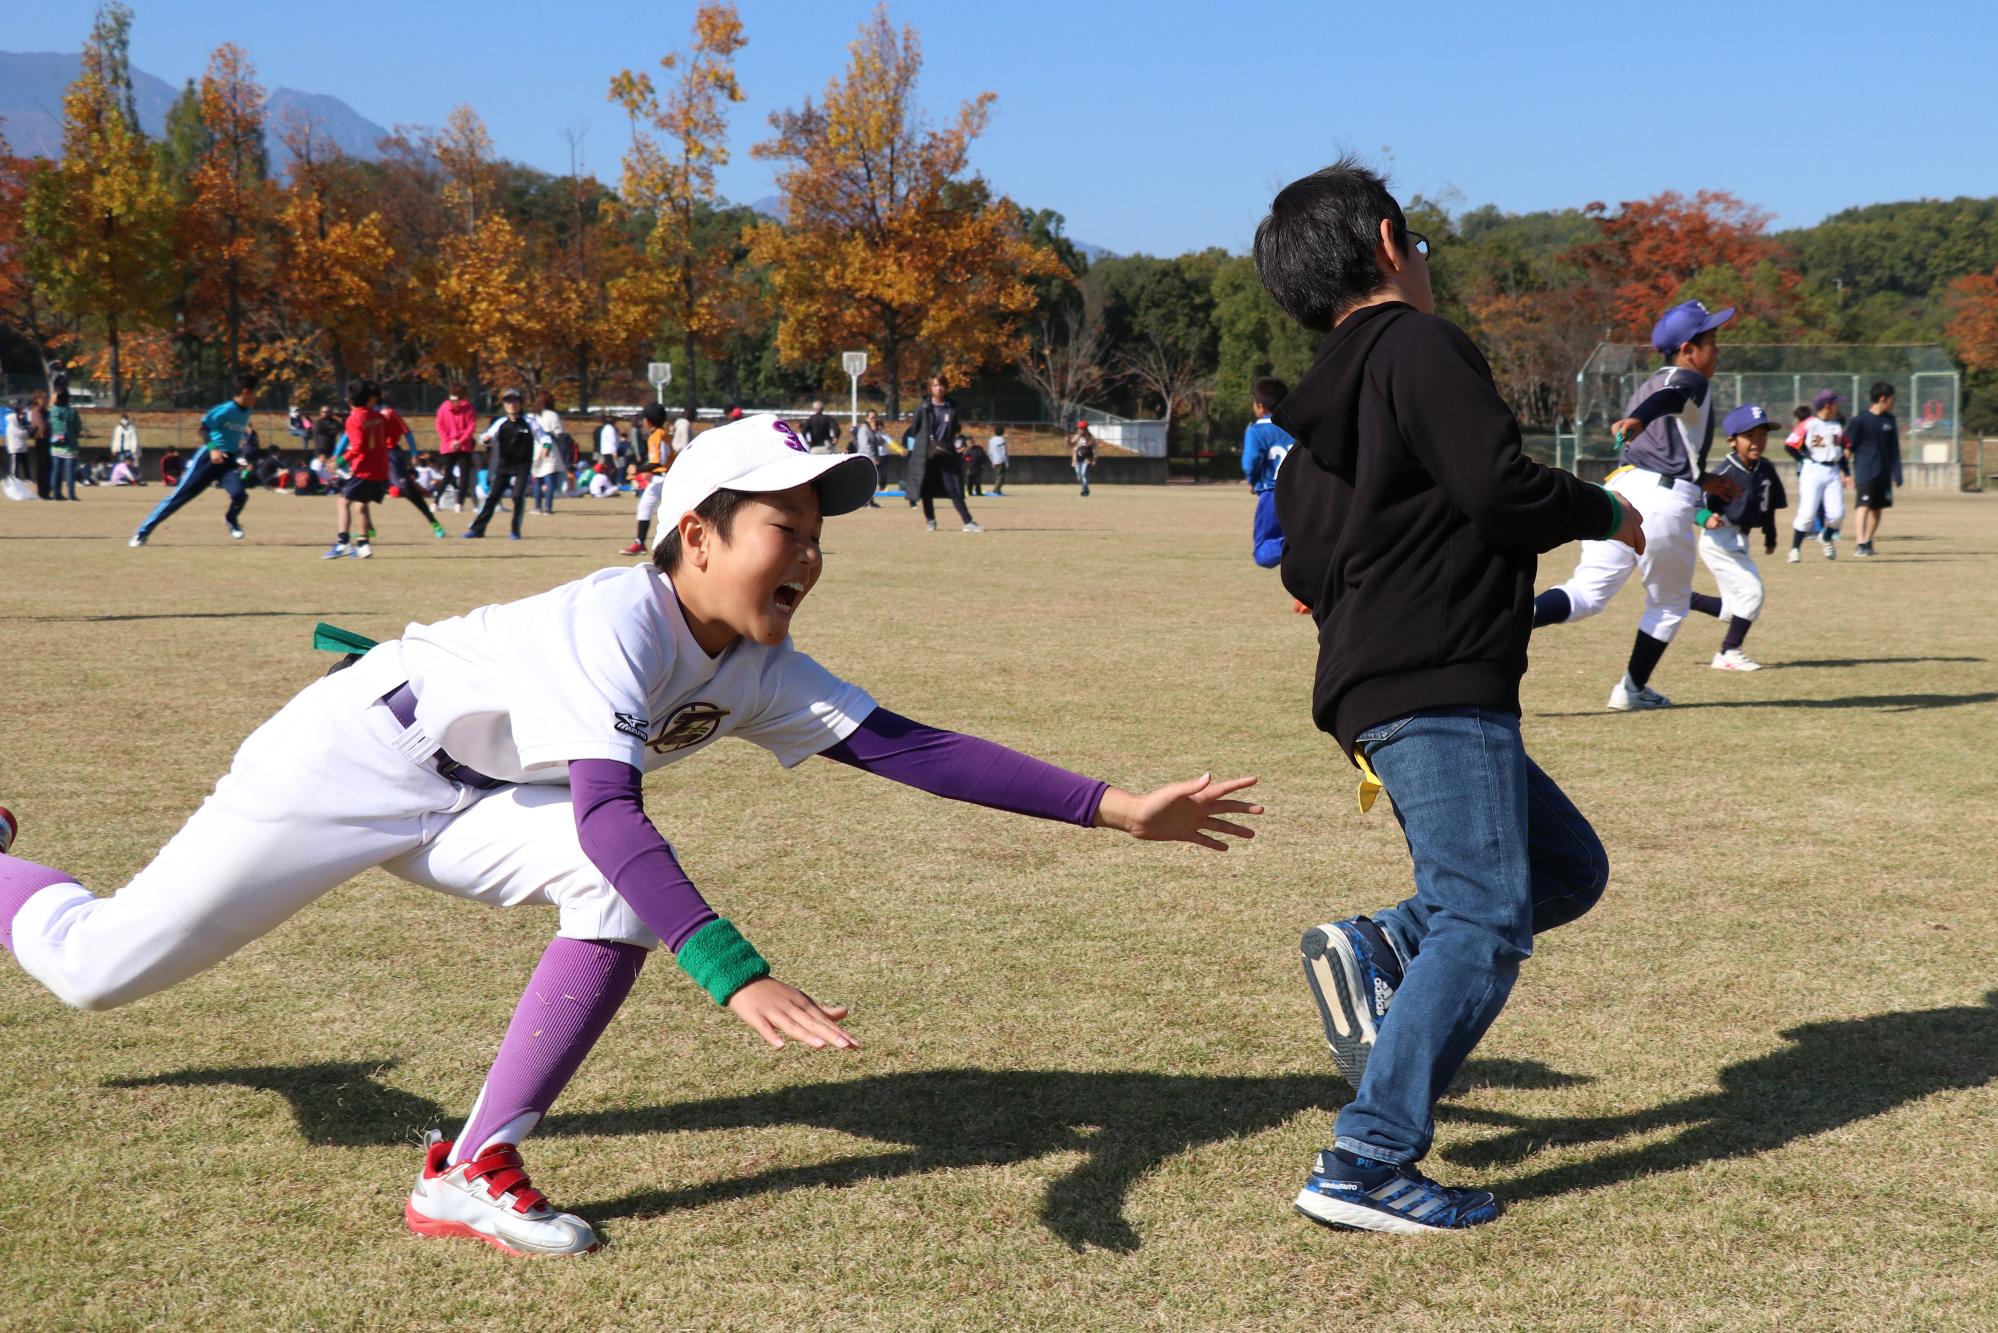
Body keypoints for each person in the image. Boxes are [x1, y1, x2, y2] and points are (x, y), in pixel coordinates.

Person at [0, 411, 1261, 1258]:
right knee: (96, 968)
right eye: (786, 527)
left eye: (819, 534)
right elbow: (608, 807)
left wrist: (1120, 807)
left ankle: (469, 1167)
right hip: (351, 756)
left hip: (477, 796)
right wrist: (729, 967)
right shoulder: (619, 616)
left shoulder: (756, 660)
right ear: (696, 534)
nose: (809, 556)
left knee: (604, 894)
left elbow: (909, 749)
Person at [1257, 157, 1638, 1234]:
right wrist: (1601, 510)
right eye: (1416, 243)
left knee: (1563, 867)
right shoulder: (1418, 345)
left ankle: (1378, 947)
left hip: (1377, 685)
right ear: (1387, 243)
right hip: (1434, 680)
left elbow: (1298, 564)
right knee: (1479, 909)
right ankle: (1366, 1160)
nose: (1423, 261)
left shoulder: (1310, 420)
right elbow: (1494, 486)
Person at [1529, 299, 1742, 710]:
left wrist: (1705, 478)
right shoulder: (1690, 379)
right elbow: (1669, 400)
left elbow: (1664, 442)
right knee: (1669, 603)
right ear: (1687, 349)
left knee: (1586, 593)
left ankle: (1512, 620)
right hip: (1662, 502)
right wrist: (1642, 419)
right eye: (1712, 340)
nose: (1717, 350)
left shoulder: (1649, 382)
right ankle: (1632, 690)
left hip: (1622, 492)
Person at [1688, 404, 1788, 671]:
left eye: (1763, 435)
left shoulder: (1765, 469)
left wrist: (1771, 534)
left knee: (1735, 609)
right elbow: (1693, 502)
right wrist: (1705, 518)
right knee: (1753, 594)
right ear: (1733, 440)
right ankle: (1728, 652)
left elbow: (1767, 506)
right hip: (1719, 538)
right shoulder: (1723, 472)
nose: (1758, 441)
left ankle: (1684, 599)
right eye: (1750, 436)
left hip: (1739, 539)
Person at [130, 374, 259, 547]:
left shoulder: (247, 410)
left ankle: (231, 520)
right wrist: (213, 449)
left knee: (239, 495)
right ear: (245, 392)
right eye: (255, 392)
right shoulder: (224, 410)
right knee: (178, 498)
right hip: (208, 459)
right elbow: (203, 429)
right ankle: (142, 533)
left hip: (227, 462)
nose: (257, 396)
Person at [908, 374, 981, 532]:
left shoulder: (952, 407)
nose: (938, 388)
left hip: (946, 453)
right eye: (934, 385)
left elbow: (955, 428)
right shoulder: (923, 407)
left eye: (941, 385)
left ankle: (968, 522)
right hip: (927, 455)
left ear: (946, 387)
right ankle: (931, 521)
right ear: (930, 388)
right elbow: (914, 429)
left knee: (953, 488)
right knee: (926, 489)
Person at [327, 378, 389, 560]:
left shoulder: (354, 419)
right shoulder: (378, 417)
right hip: (381, 470)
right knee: (361, 505)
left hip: (365, 471)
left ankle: (342, 543)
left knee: (343, 502)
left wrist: (338, 462)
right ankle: (363, 546)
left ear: (349, 400)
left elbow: (358, 447)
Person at [1785, 389, 1849, 563]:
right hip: (1813, 470)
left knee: (1837, 515)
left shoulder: (1837, 425)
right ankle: (1795, 549)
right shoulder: (1809, 423)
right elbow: (1790, 444)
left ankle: (1826, 537)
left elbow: (1840, 451)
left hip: (1833, 470)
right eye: (1836, 403)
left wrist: (1847, 473)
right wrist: (1803, 459)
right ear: (1827, 405)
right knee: (1807, 513)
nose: (1838, 406)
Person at [465, 389, 535, 541]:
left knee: (517, 497)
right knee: (492, 497)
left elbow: (544, 438)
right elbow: (487, 437)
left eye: (515, 401)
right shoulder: (501, 423)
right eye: (508, 402)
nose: (511, 405)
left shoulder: (529, 423)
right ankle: (477, 529)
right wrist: (486, 439)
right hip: (505, 465)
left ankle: (515, 531)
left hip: (523, 466)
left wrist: (547, 448)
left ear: (520, 403)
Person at [378, 390, 448, 539]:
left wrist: (414, 452)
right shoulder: (365, 413)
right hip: (374, 454)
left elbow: (407, 432)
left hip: (391, 455)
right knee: (358, 492)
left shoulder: (389, 413)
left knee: (408, 490)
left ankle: (434, 522)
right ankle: (367, 530)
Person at [1242, 377, 1296, 567]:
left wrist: (1252, 480)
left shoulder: (1257, 430)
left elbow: (1251, 462)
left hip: (1272, 494)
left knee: (1263, 553)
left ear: (1260, 406)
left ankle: (1299, 546)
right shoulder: (1297, 426)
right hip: (1305, 494)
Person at [1847, 382, 1901, 557]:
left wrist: (1897, 472)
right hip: (1865, 471)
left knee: (1877, 509)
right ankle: (1860, 542)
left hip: (1883, 473)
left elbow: (1895, 448)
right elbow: (1848, 447)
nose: (1894, 403)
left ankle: (1868, 541)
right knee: (1863, 506)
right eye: (1892, 399)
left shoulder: (1890, 421)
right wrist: (1844, 473)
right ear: (1883, 399)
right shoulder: (1860, 420)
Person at [621, 404, 674, 556]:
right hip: (662, 479)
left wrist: (637, 470)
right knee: (647, 508)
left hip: (663, 480)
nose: (643, 421)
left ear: (649, 420)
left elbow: (659, 462)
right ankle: (640, 543)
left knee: (653, 510)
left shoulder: (657, 435)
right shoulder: (660, 434)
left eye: (644, 418)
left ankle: (643, 543)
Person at [435, 387, 479, 513]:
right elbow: (471, 427)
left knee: (449, 475)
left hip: (452, 446)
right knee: (462, 476)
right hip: (462, 446)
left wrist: (451, 441)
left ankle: (437, 502)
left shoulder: (444, 407)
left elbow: (439, 425)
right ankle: (458, 503)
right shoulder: (468, 407)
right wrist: (458, 441)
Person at [531, 391, 565, 516]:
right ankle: (548, 507)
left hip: (535, 449)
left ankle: (537, 507)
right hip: (549, 447)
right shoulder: (552, 415)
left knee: (538, 479)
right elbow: (559, 433)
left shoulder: (533, 416)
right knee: (549, 478)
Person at [46, 389, 82, 501]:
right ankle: (71, 494)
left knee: (56, 470)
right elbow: (78, 427)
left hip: (56, 444)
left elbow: (50, 425)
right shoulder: (72, 411)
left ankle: (56, 493)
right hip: (70, 445)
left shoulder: (53, 411)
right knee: (70, 471)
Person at [852, 410, 888, 508]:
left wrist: (877, 431)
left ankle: (869, 501)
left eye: (875, 417)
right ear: (867, 418)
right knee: (867, 481)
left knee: (871, 481)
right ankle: (866, 501)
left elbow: (880, 442)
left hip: (871, 457)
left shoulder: (872, 429)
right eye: (872, 418)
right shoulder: (864, 429)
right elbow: (865, 445)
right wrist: (873, 458)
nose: (874, 420)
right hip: (865, 458)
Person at [27, 389, 52, 499]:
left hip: (48, 440)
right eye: (43, 398)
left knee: (48, 466)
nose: (45, 400)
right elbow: (42, 426)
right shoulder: (36, 411)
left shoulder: (46, 412)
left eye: (46, 398)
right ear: (37, 399)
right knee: (42, 466)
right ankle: (42, 492)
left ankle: (47, 491)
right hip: (41, 440)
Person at [1069, 421, 1097, 496]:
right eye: (1078, 428)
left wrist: (1094, 459)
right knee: (1079, 475)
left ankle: (1084, 491)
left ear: (1085, 428)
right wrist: (1078, 435)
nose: (1079, 429)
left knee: (1083, 474)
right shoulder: (1078, 435)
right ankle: (1086, 489)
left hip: (1086, 458)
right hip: (1077, 457)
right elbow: (1072, 441)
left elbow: (1094, 449)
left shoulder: (1091, 437)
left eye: (1081, 428)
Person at [985, 424, 1009, 495]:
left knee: (998, 475)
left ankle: (997, 490)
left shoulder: (991, 440)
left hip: (994, 460)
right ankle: (996, 490)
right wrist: (1007, 462)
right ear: (1003, 432)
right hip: (1001, 460)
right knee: (1001, 476)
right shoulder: (1002, 440)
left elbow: (990, 452)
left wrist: (992, 460)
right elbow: (1004, 452)